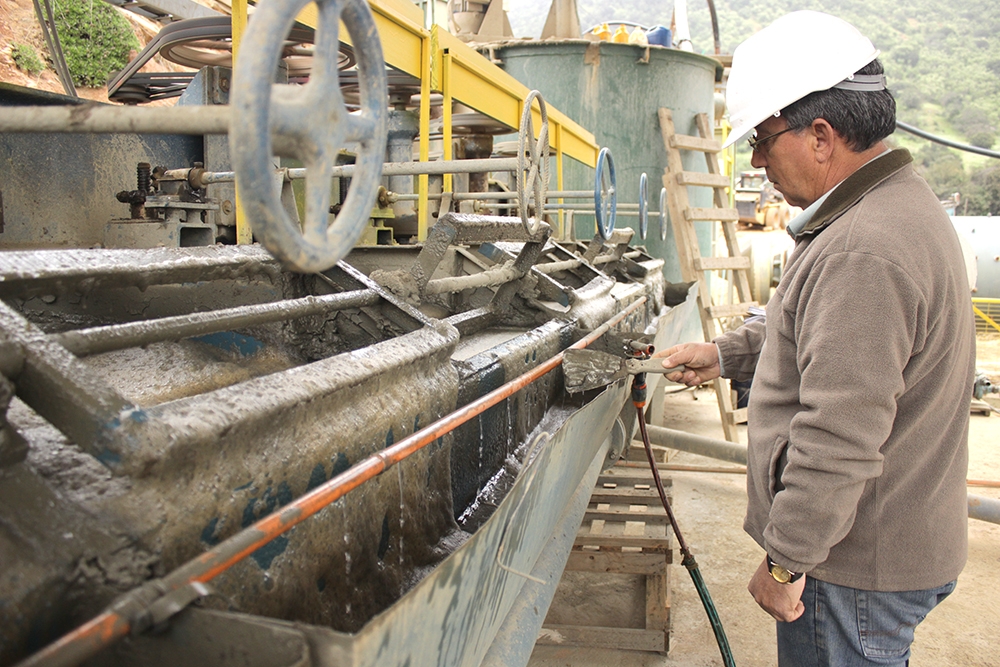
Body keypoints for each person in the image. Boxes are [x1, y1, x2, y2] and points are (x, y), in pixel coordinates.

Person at [657, 11, 975, 667]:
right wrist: (722, 355)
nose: (756, 161)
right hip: (879, 543)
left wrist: (785, 561)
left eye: (764, 141)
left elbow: (840, 431)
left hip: (853, 563)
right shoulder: (882, 209)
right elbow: (803, 325)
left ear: (822, 136)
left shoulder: (865, 248)